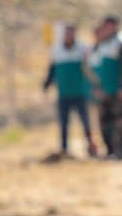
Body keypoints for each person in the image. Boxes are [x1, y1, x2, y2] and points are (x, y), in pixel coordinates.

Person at [42, 23, 98, 158]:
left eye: (72, 32)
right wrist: (46, 84)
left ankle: (91, 148)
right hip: (64, 94)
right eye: (67, 32)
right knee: (64, 124)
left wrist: (95, 85)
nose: (69, 35)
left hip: (80, 92)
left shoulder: (83, 49)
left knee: (86, 123)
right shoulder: (56, 50)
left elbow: (92, 66)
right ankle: (64, 150)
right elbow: (52, 69)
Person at [91, 15, 122, 161]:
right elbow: (95, 68)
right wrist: (96, 87)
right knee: (104, 122)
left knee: (119, 122)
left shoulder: (121, 42)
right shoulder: (101, 44)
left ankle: (120, 153)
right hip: (104, 90)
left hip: (117, 90)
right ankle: (110, 151)